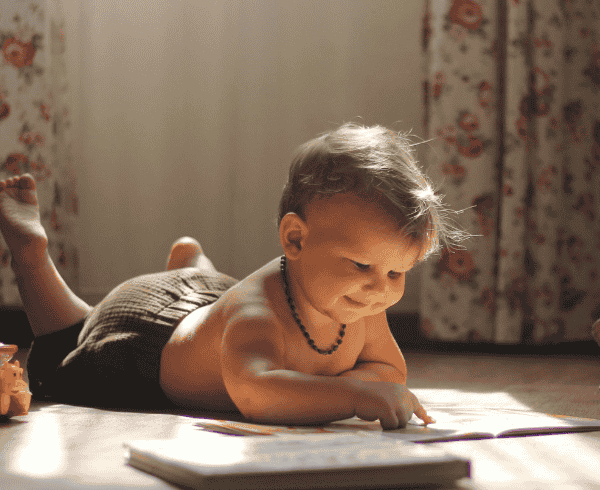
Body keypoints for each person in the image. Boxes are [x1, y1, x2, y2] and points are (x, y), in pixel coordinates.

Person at [0, 123, 469, 429]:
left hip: (210, 305)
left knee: (217, 298)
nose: (380, 288)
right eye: (363, 266)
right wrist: (349, 392)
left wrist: (367, 383)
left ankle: (192, 266)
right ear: (296, 240)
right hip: (144, 340)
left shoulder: (362, 302)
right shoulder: (257, 312)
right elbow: (257, 393)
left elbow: (390, 370)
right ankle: (31, 252)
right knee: (68, 344)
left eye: (396, 272)